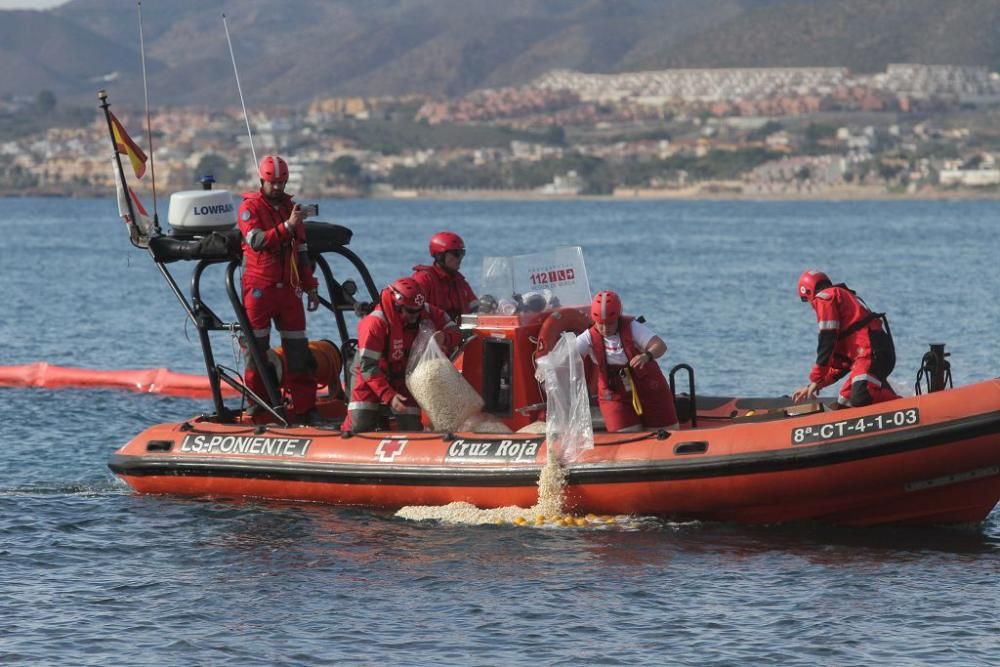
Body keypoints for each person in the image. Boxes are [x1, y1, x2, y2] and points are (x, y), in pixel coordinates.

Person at [238, 155, 320, 423]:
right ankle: (259, 406)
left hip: (290, 290)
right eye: (273, 183)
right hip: (260, 290)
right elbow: (258, 241)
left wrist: (311, 287)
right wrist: (288, 226)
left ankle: (305, 408)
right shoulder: (249, 209)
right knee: (256, 351)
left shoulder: (291, 208)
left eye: (282, 183)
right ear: (262, 180)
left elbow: (303, 249)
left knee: (298, 351)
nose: (277, 187)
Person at [347, 277, 462, 432]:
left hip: (403, 376)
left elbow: (455, 330)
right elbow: (368, 367)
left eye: (418, 311)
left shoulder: (425, 311)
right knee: (360, 423)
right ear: (397, 305)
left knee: (411, 425)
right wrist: (388, 395)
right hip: (371, 373)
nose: (415, 316)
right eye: (410, 311)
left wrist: (445, 337)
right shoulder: (375, 324)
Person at [792, 270, 898, 409]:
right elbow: (841, 365)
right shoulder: (843, 301)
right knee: (844, 404)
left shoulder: (824, 298)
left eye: (807, 299)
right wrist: (815, 384)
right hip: (877, 352)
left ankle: (904, 404)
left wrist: (816, 378)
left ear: (809, 292)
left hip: (872, 353)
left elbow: (827, 341)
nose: (811, 304)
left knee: (861, 396)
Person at [576, 291, 679, 432]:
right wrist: (546, 368)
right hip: (613, 391)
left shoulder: (633, 327)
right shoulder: (588, 337)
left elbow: (660, 346)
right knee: (625, 435)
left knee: (667, 431)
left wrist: (646, 356)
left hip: (648, 385)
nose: (605, 329)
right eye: (601, 324)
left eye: (610, 324)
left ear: (618, 317)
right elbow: (567, 356)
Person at [411, 231, 478, 322]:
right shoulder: (424, 279)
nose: (460, 258)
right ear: (440, 255)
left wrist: (486, 305)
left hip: (458, 333)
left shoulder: (459, 281)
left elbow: (474, 306)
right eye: (456, 253)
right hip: (432, 333)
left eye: (462, 253)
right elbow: (411, 310)